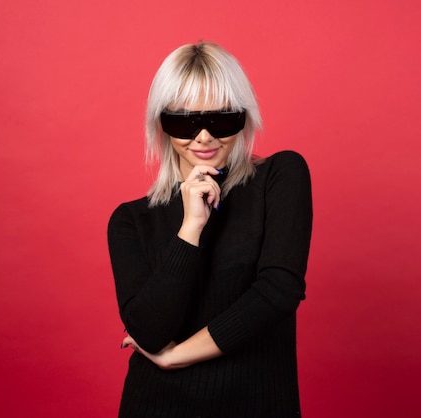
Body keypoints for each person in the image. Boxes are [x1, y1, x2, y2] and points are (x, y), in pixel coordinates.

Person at [107, 41, 313, 417]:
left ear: (245, 117)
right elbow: (149, 330)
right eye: (184, 122)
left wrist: (176, 357)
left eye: (221, 121)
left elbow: (279, 290)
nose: (203, 137)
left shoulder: (279, 177)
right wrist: (190, 227)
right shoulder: (130, 220)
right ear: (161, 125)